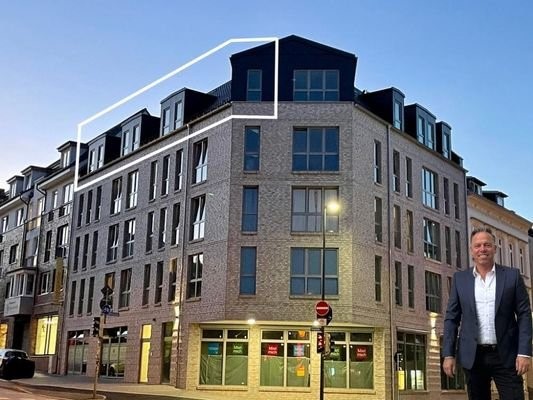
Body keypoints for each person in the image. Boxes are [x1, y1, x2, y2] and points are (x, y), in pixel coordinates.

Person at [443, 227, 532, 400]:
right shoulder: (460, 279)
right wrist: (448, 354)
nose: (482, 249)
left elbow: (524, 315)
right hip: (473, 356)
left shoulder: (512, 277)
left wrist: (524, 353)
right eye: (477, 246)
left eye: (487, 245)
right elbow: (451, 319)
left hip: (506, 355)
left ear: (494, 249)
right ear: (471, 250)